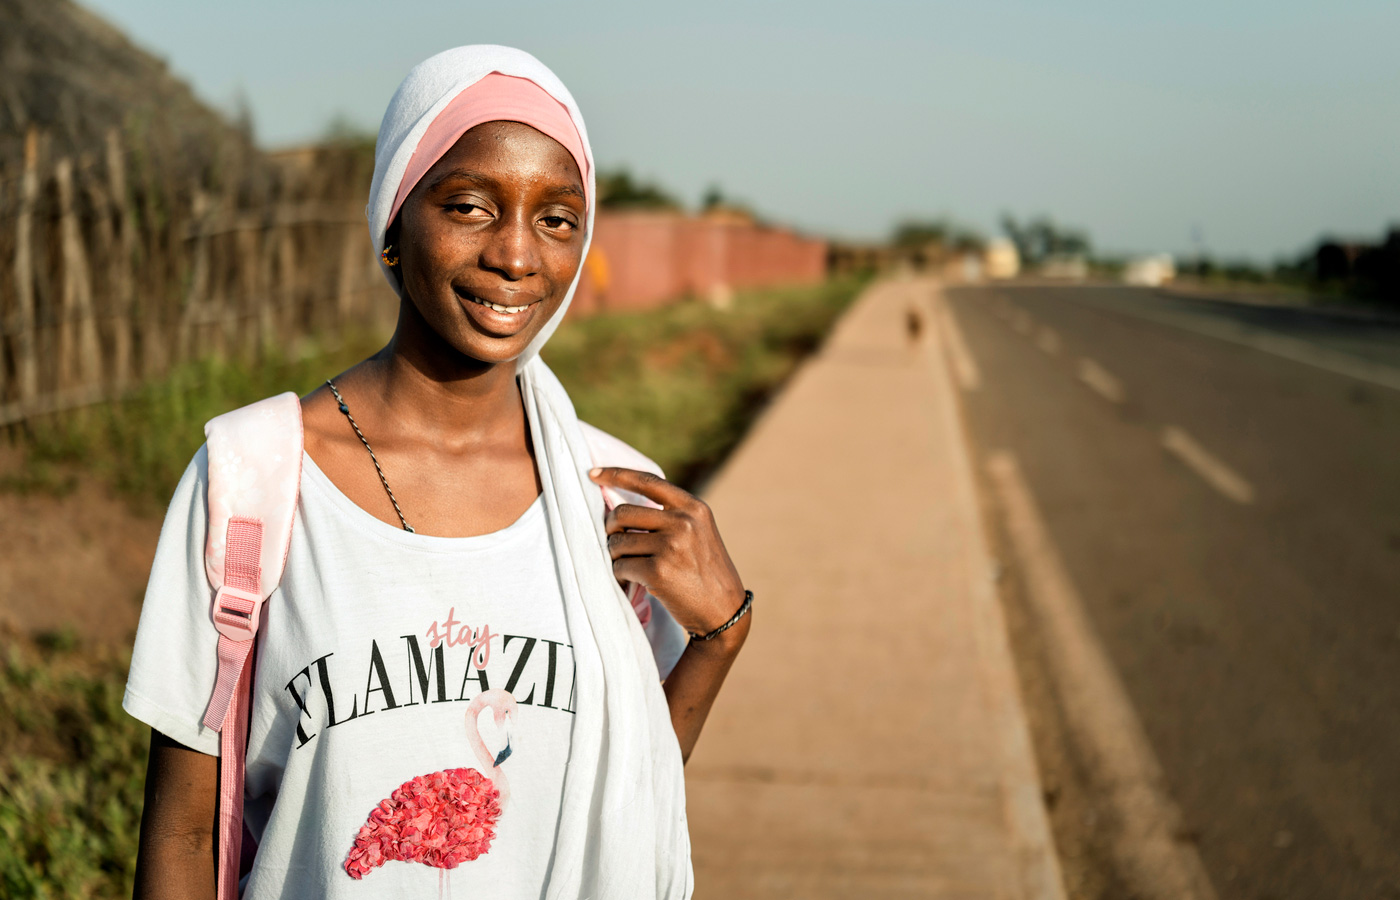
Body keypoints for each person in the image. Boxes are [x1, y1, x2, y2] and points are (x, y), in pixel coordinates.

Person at [124, 45, 750, 899]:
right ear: (394, 221)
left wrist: (717, 641)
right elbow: (187, 835)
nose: (517, 256)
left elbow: (617, 794)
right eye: (469, 206)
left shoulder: (607, 493)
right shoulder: (253, 480)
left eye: (557, 219)